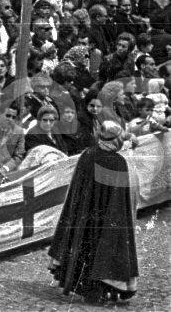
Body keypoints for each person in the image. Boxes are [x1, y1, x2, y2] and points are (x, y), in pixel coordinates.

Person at [49, 120, 138, 303]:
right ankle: (102, 288)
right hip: (106, 217)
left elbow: (78, 189)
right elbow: (118, 200)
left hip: (85, 214)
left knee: (84, 245)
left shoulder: (87, 155)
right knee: (103, 247)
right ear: (115, 139)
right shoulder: (118, 162)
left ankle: (83, 285)